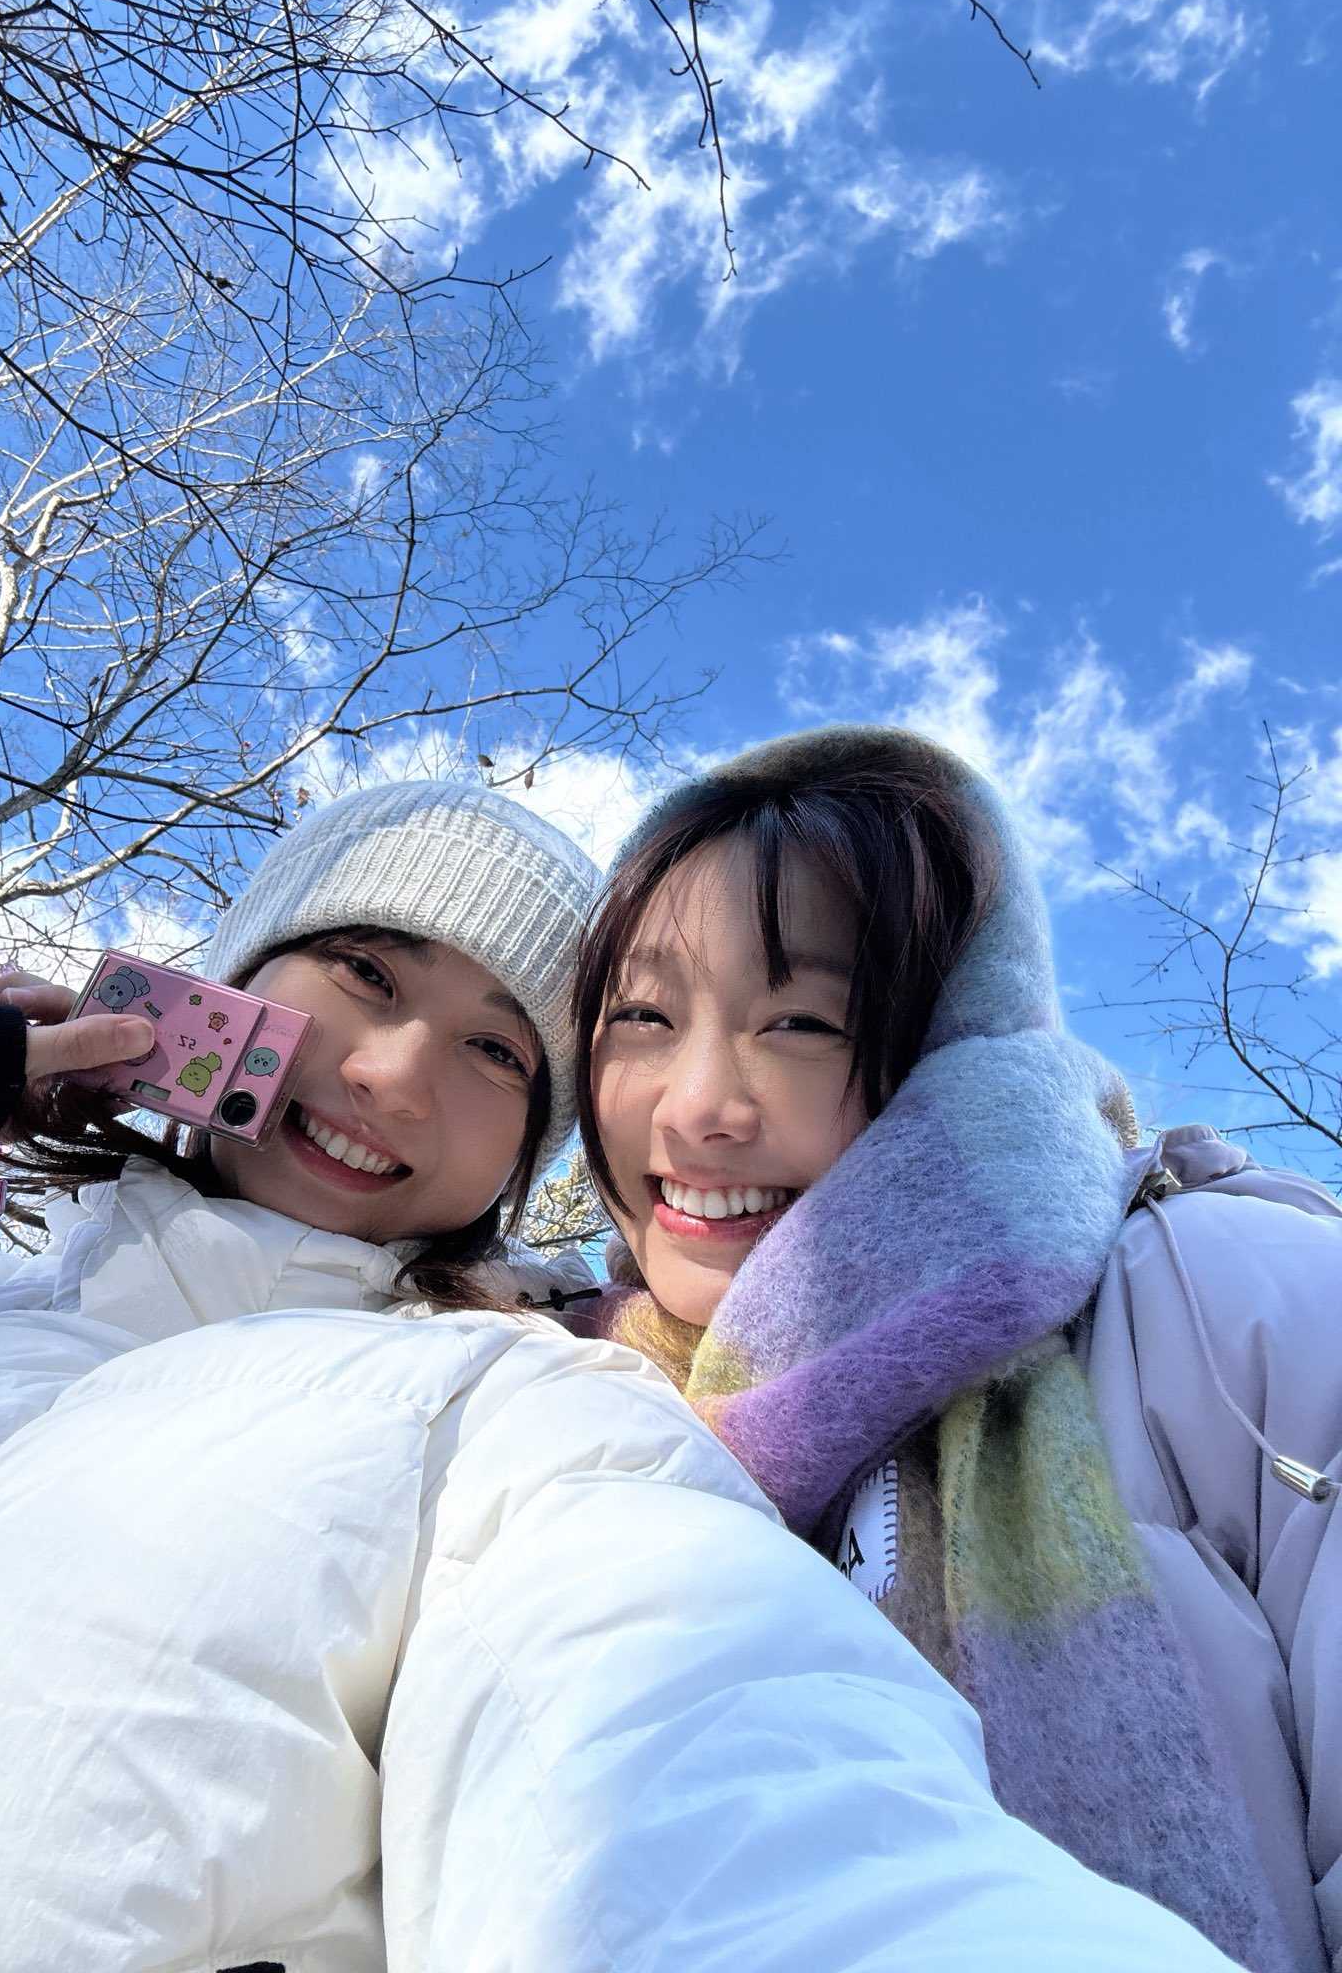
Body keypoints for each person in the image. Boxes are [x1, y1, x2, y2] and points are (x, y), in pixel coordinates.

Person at [0, 779, 1246, 1973]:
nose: (394, 1076)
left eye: (497, 1051)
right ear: (235, 976)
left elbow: (706, 1770)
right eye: (366, 973)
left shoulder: (512, 1408)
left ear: (530, 1154)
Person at [570, 723, 1342, 1973]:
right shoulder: (568, 1403)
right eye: (644, 1014)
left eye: (803, 1022)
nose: (698, 1104)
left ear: (951, 1048)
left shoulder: (1225, 1301)